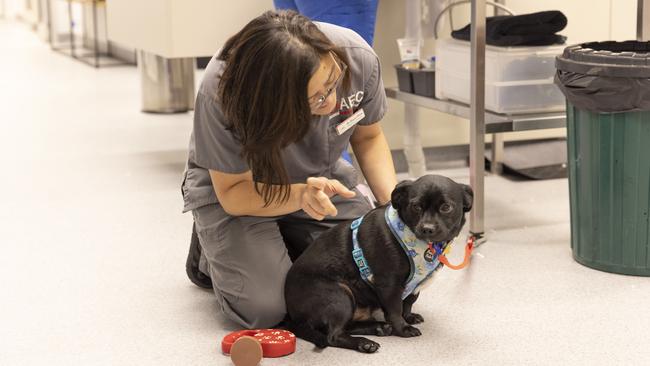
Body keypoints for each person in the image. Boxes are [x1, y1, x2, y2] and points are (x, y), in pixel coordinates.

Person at [181, 10, 397, 329]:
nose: (334, 101)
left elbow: (368, 138)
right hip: (241, 188)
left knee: (376, 280)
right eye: (317, 98)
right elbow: (233, 193)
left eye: (333, 80)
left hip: (321, 181)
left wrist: (394, 211)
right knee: (269, 309)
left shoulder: (356, 55)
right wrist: (298, 196)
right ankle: (209, 251)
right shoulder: (222, 88)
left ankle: (282, 244)